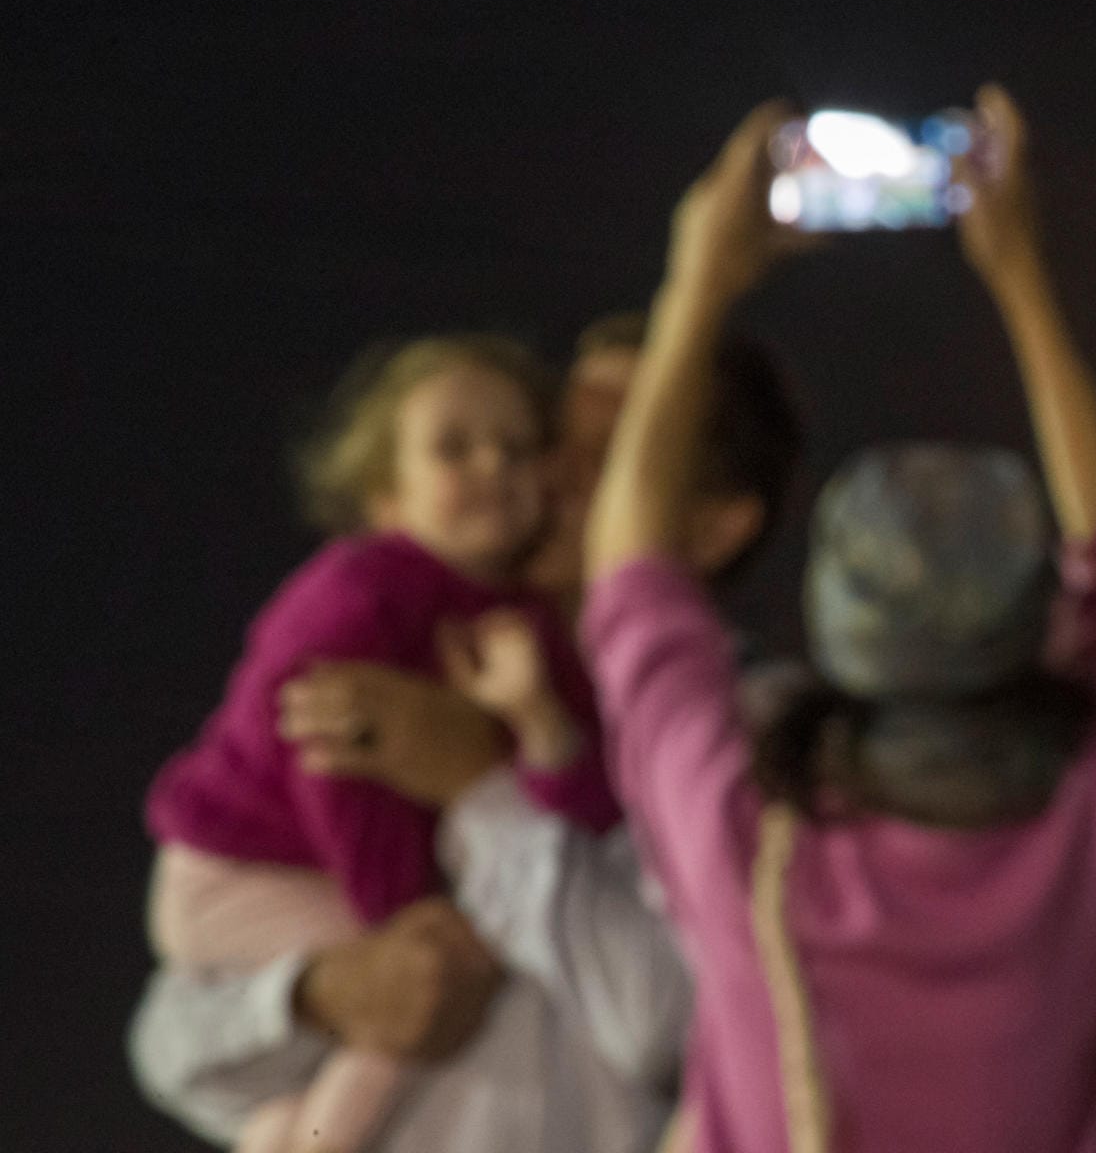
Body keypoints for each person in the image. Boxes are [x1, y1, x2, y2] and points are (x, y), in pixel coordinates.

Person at [582, 84, 1096, 1151]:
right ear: (1026, 616)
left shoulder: (741, 836)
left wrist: (698, 284)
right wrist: (1022, 279)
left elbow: (632, 578)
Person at [131, 317, 805, 1153]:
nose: (545, 474)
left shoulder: (768, 741)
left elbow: (664, 1021)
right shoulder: (416, 653)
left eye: (618, 454)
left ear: (717, 525)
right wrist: (324, 993)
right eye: (547, 438)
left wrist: (481, 788)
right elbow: (168, 1045)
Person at [142, 334, 622, 1153]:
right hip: (236, 870)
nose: (495, 469)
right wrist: (405, 920)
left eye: (517, 447)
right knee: (424, 979)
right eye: (454, 448)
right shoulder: (355, 599)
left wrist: (530, 739)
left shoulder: (520, 628)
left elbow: (587, 800)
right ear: (385, 494)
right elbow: (330, 766)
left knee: (428, 977)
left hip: (325, 884)